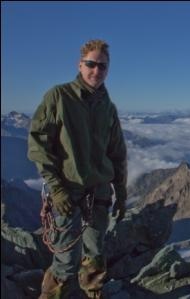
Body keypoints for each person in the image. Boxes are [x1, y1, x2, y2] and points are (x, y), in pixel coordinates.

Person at [28, 39, 127, 299]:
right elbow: (39, 144)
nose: (96, 71)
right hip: (67, 192)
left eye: (102, 66)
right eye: (91, 64)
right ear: (79, 65)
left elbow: (117, 153)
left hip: (99, 192)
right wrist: (56, 187)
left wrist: (121, 191)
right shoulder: (59, 97)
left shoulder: (108, 107)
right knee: (66, 259)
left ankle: (93, 294)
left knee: (95, 253)